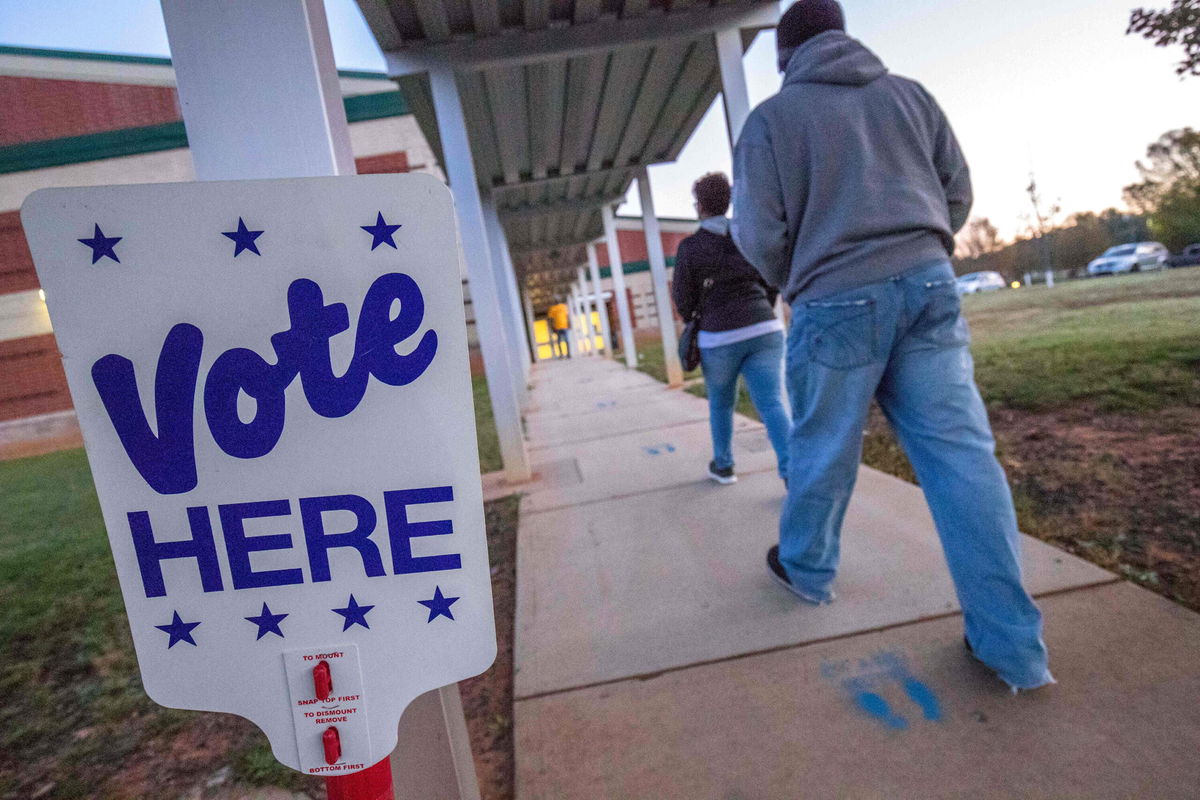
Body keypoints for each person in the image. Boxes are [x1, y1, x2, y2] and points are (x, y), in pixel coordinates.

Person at [732, 0, 1052, 691]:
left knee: (824, 450)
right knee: (964, 461)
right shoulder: (911, 96)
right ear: (845, 37)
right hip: (931, 289)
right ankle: (1013, 650)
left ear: (784, 58)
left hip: (833, 301)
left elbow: (757, 233)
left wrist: (800, 280)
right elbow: (957, 191)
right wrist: (923, 245)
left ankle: (809, 571)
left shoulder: (771, 122)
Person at [673, 173, 792, 486]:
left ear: (699, 206)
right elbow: (770, 279)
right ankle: (794, 471)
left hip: (719, 336)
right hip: (765, 328)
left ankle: (724, 466)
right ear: (728, 202)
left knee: (722, 403)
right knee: (771, 403)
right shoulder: (748, 238)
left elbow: (683, 300)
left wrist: (700, 316)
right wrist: (759, 309)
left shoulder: (690, 248)